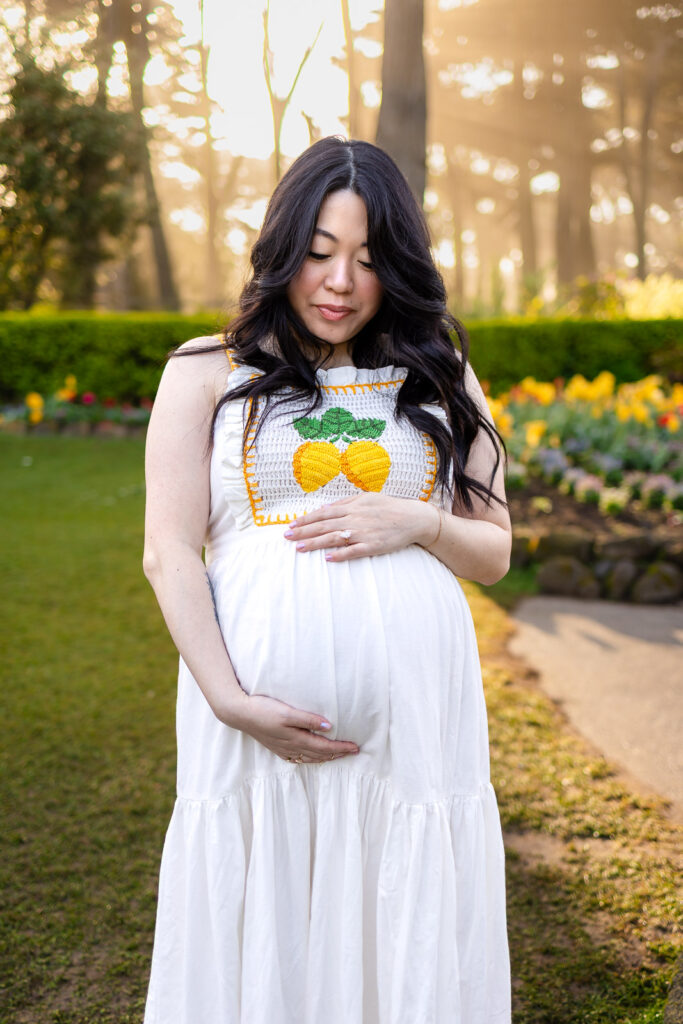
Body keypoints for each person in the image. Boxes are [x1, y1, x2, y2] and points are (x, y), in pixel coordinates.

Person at [142, 136, 512, 1024]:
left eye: (367, 258)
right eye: (317, 254)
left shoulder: (439, 371)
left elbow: (493, 551)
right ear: (281, 250)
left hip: (414, 741)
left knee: (402, 917)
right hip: (251, 738)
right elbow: (167, 551)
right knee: (262, 918)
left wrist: (419, 522)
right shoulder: (204, 371)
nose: (338, 281)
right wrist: (230, 699)